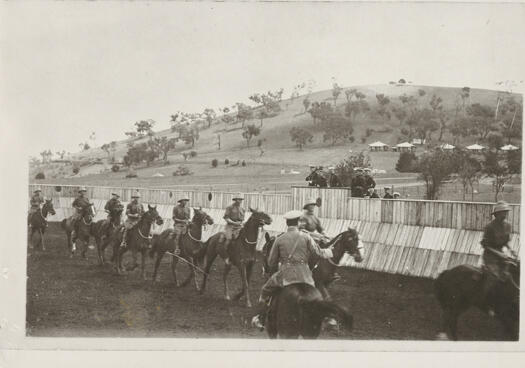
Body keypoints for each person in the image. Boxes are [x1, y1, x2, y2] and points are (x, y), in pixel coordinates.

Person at [251, 210, 334, 330]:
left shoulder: (280, 239)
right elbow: (319, 252)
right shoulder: (306, 237)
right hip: (305, 275)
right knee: (318, 290)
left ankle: (260, 318)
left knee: (265, 290)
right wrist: (330, 251)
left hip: (286, 274)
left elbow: (271, 262)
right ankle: (328, 318)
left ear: (287, 223)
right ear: (298, 222)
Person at [480, 201, 514, 317]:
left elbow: (506, 242)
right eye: (502, 212)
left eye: (506, 212)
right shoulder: (489, 227)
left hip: (502, 255)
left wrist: (512, 251)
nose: (504, 214)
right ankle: (486, 302)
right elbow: (485, 245)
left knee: (512, 272)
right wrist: (499, 254)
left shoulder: (508, 225)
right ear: (496, 214)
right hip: (490, 256)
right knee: (494, 277)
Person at [220, 194, 246, 265]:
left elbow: (242, 219)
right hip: (230, 226)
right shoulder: (229, 208)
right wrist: (234, 223)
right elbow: (226, 218)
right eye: (238, 199)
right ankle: (226, 256)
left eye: (241, 199)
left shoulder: (242, 209)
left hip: (239, 227)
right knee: (228, 239)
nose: (240, 201)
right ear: (235, 200)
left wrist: (241, 223)